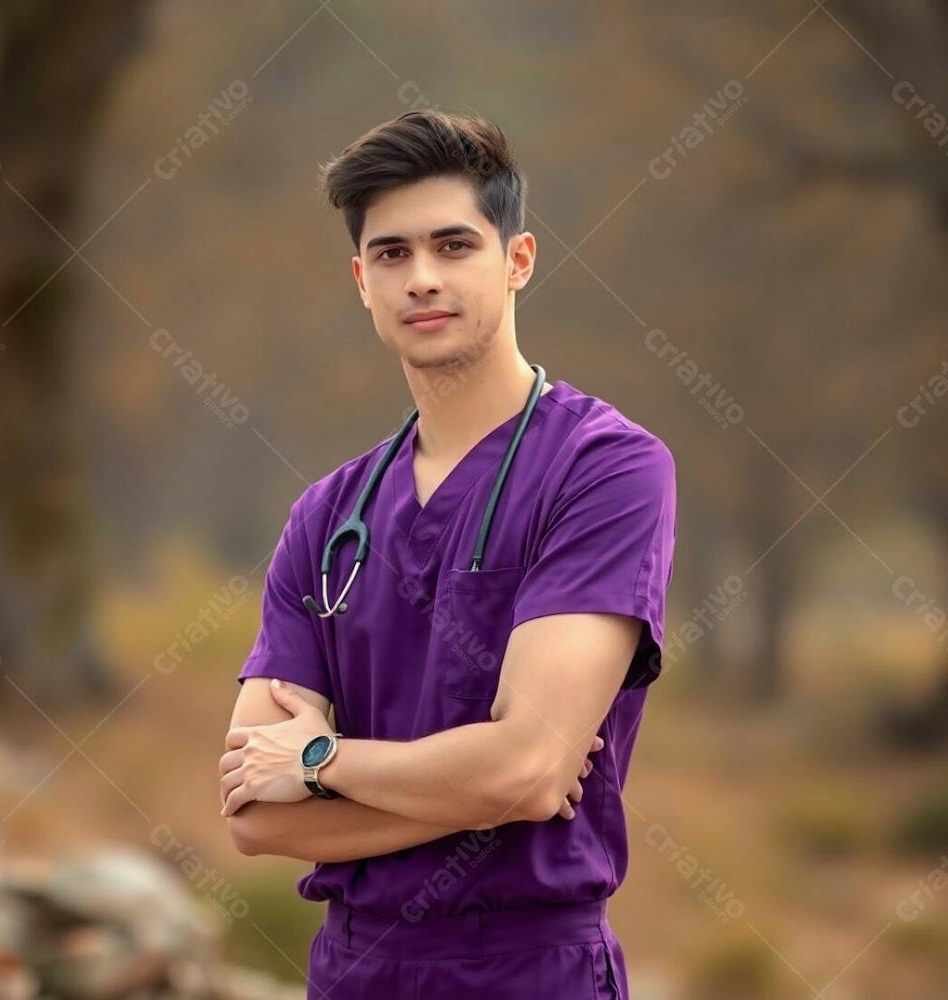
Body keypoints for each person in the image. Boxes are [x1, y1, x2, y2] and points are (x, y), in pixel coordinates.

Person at [219, 109, 677, 1000]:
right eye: (392, 254)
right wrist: (484, 783)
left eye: (454, 245)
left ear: (518, 261)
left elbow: (529, 771)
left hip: (530, 968)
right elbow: (254, 821)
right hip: (354, 970)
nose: (421, 278)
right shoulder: (328, 518)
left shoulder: (606, 470)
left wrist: (318, 763)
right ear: (361, 280)